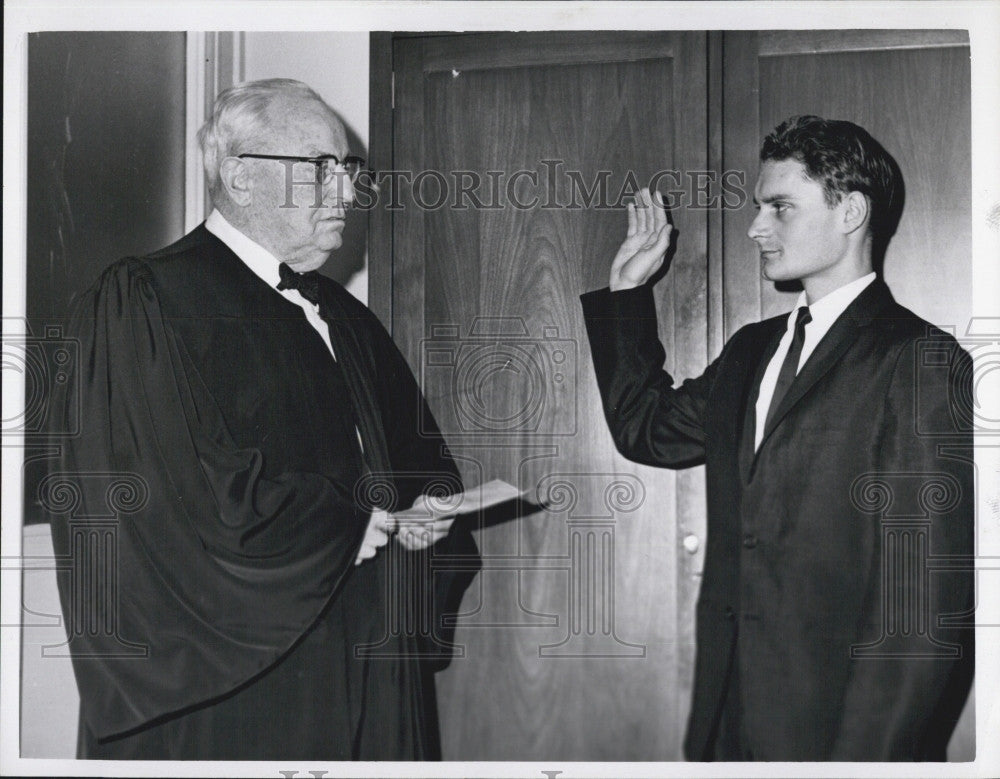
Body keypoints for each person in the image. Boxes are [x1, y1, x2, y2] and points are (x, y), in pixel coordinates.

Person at [47, 78, 479, 760]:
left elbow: (418, 463)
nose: (346, 192)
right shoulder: (146, 302)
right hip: (240, 683)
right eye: (321, 168)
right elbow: (160, 504)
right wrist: (347, 522)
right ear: (242, 177)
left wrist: (426, 509)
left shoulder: (348, 320)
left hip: (369, 663)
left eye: (349, 170)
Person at [580, 115, 974, 761]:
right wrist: (627, 290)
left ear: (849, 211)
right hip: (730, 726)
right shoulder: (750, 351)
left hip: (845, 735)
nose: (756, 227)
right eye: (759, 207)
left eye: (779, 207)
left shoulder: (918, 359)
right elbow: (647, 431)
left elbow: (921, 605)